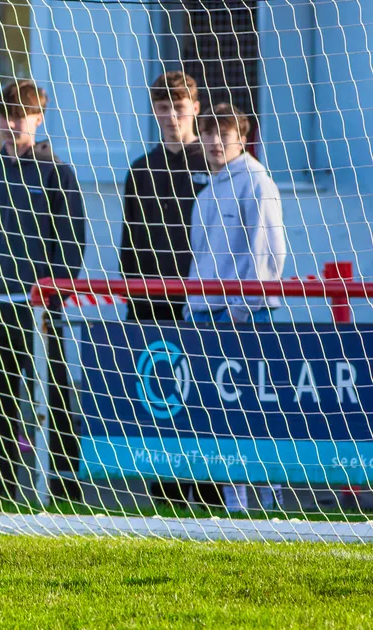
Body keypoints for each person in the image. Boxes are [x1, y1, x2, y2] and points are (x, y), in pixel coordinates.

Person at [0, 80, 86, 506]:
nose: (15, 123)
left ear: (39, 118)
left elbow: (71, 245)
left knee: (54, 401)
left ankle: (64, 489)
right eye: (8, 115)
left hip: (38, 311)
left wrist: (53, 297)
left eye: (23, 115)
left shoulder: (57, 173)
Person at [118, 71, 219, 508]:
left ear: (195, 109)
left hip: (204, 302)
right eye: (163, 108)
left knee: (208, 395)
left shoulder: (214, 164)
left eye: (179, 108)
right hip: (152, 306)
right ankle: (168, 493)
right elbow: (130, 241)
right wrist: (133, 300)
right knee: (162, 397)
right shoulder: (141, 169)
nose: (171, 116)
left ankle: (215, 490)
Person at [187, 102, 287, 513]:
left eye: (222, 134)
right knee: (219, 415)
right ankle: (235, 501)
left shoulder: (256, 182)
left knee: (255, 412)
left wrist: (241, 310)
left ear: (241, 138)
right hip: (206, 314)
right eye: (208, 133)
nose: (213, 142)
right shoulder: (211, 185)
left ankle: (272, 499)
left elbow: (267, 254)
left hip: (241, 316)